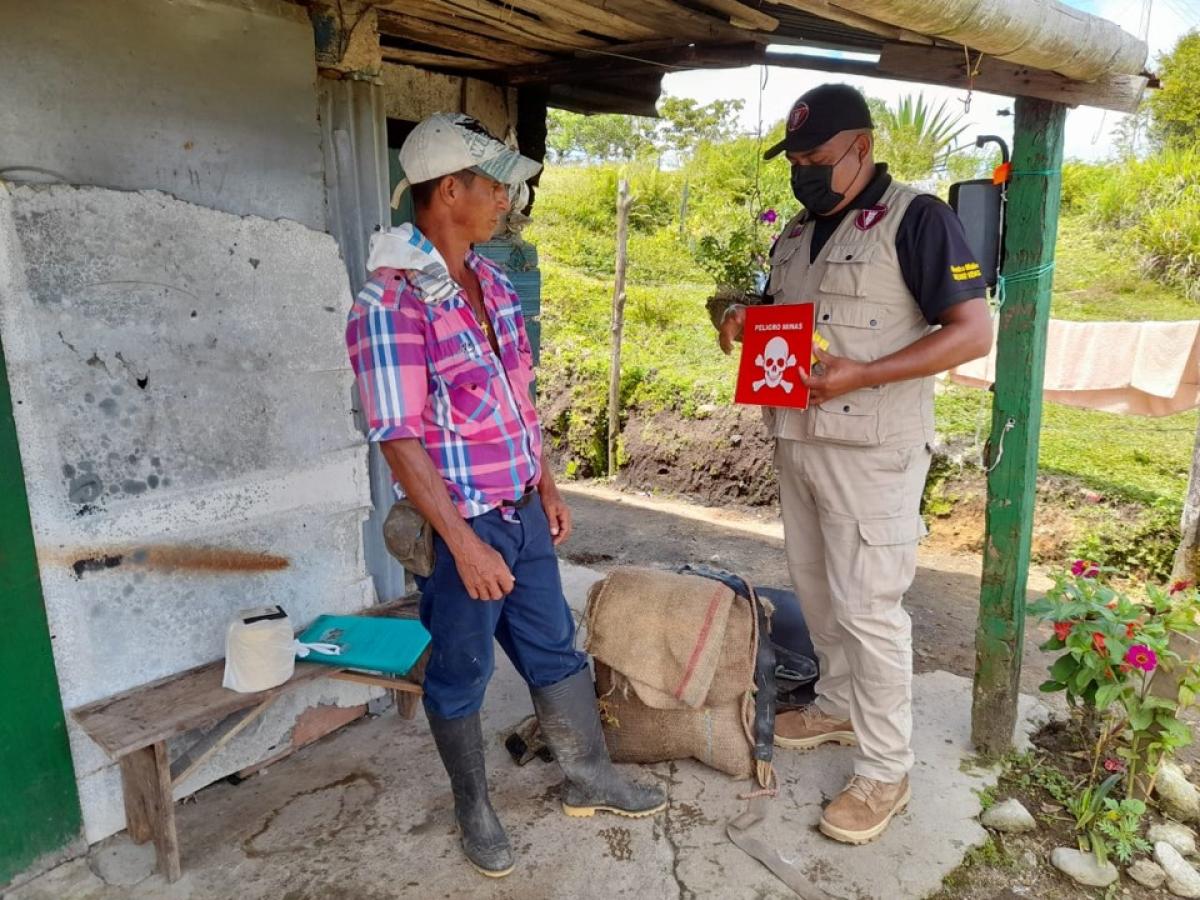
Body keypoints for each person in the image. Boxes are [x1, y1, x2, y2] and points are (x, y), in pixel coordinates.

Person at [346, 113, 665, 878]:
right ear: (449, 191)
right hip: (463, 528)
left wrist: (544, 485)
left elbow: (519, 399)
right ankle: (474, 809)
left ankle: (589, 778)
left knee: (554, 647)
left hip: (520, 512)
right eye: (494, 186)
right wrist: (462, 544)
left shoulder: (489, 280)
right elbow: (399, 439)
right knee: (462, 671)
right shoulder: (390, 302)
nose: (505, 200)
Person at [718, 84, 993, 845]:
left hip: (873, 450)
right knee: (818, 589)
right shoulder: (797, 232)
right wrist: (743, 316)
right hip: (797, 438)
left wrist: (864, 373)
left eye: (816, 157)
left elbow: (973, 334)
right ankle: (837, 706)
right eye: (795, 159)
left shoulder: (918, 218)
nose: (802, 171)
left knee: (870, 608)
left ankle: (885, 769)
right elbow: (786, 317)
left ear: (862, 148)